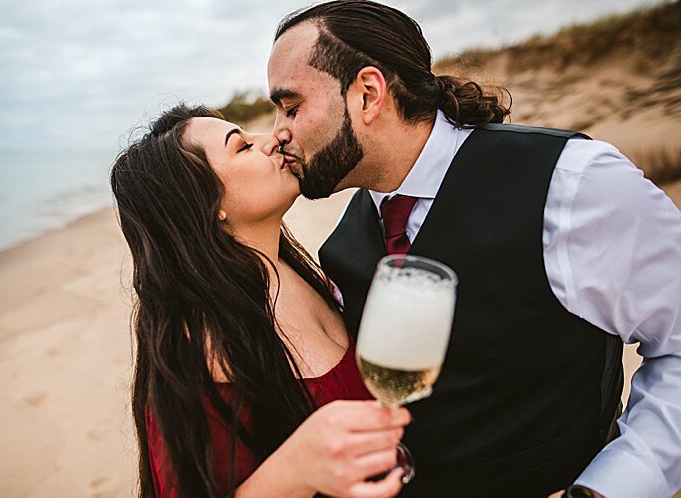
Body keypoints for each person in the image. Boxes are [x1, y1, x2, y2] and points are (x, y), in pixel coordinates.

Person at [264, 1, 681, 496]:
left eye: (291, 108)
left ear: (369, 94)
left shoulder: (573, 183)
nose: (277, 133)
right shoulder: (342, 244)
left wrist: (608, 489)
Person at [112, 103, 411, 498]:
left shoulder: (308, 273)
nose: (272, 139)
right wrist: (295, 469)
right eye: (242, 146)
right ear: (205, 202)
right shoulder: (203, 348)